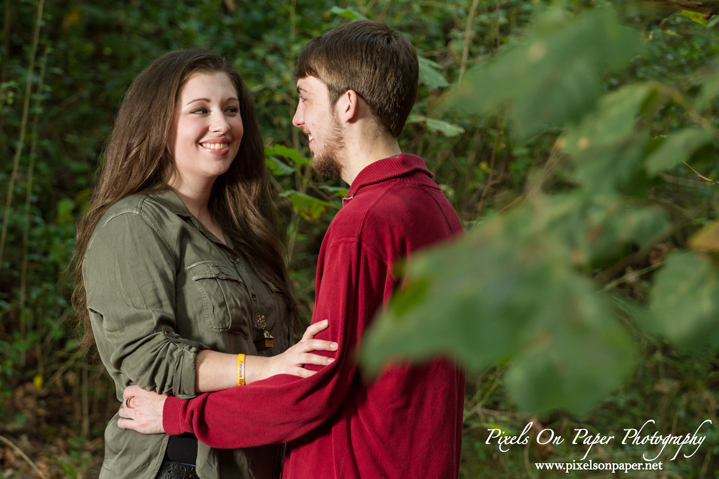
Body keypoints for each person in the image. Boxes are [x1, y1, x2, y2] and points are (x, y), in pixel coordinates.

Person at [119, 21, 466, 479]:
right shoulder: (434, 207)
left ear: (347, 104)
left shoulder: (364, 224)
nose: (298, 118)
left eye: (305, 97)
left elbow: (316, 387)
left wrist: (178, 416)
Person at [71, 49, 337, 479]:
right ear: (158, 122)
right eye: (200, 110)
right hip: (177, 464)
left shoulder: (243, 232)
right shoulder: (135, 223)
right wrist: (271, 368)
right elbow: (150, 359)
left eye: (231, 110)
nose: (222, 124)